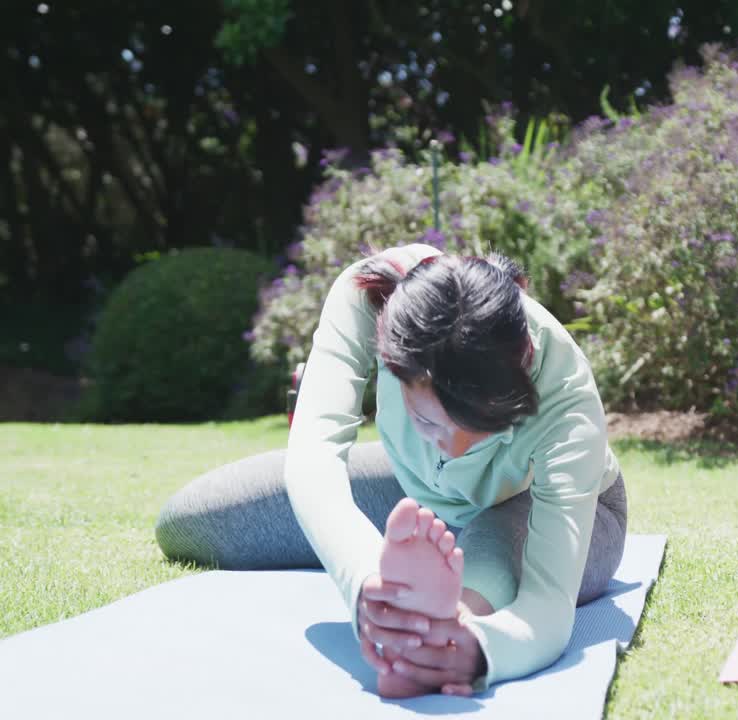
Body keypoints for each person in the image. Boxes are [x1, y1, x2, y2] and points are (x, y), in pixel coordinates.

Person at [155, 244, 626, 697]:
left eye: (481, 428)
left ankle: (442, 626)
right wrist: (364, 580)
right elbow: (313, 459)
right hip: (422, 494)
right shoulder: (368, 296)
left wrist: (480, 651)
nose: (456, 450)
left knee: (491, 539)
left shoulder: (568, 399)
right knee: (194, 521)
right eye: (426, 421)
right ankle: (425, 610)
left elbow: (547, 602)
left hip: (552, 509)